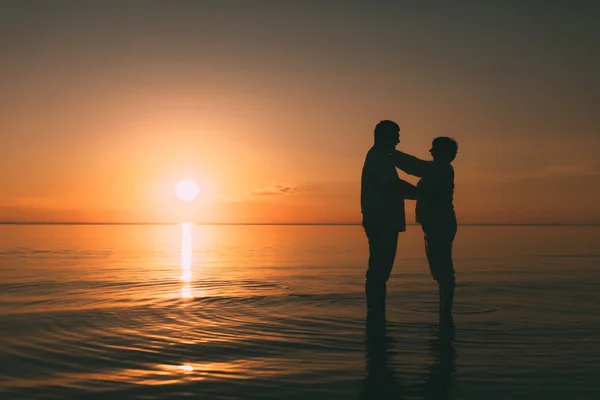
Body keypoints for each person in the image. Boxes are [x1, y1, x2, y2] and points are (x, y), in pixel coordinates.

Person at [392, 137, 458, 323]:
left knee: (443, 269)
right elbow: (422, 193)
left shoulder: (442, 169)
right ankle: (444, 311)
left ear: (444, 152)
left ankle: (446, 312)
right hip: (434, 224)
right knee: (439, 270)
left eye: (433, 148)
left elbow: (415, 166)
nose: (430, 151)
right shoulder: (435, 172)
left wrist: (393, 155)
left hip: (441, 224)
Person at [361, 120, 418, 316]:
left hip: (381, 219)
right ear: (384, 136)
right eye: (396, 135)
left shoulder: (381, 156)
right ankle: (376, 312)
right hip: (382, 220)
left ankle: (376, 313)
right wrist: (425, 194)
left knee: (380, 268)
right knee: (380, 269)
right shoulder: (379, 157)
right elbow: (394, 185)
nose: (399, 140)